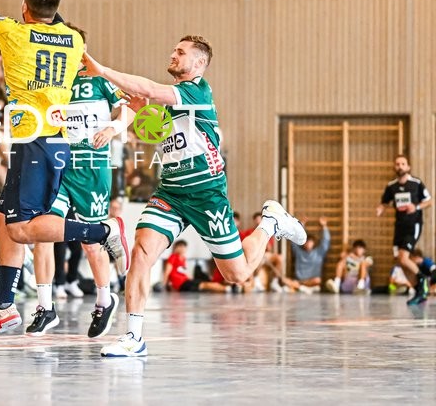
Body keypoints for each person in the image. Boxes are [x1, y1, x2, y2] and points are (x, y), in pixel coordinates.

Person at [81, 33, 307, 357]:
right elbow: (140, 108)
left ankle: (270, 222)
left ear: (199, 63)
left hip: (206, 193)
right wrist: (121, 124)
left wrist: (102, 70)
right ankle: (133, 336)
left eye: (181, 52)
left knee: (238, 274)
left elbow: (147, 89)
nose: (173, 55)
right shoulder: (172, 99)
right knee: (142, 251)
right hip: (171, 192)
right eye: (174, 50)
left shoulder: (196, 92)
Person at [0, 0, 128, 341]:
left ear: (25, 9)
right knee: (3, 221)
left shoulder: (14, 34)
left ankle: (102, 231)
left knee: (23, 231)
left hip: (39, 141)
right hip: (42, 141)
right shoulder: (74, 41)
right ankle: (5, 306)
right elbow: (53, 20)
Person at [27, 23, 137, 338]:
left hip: (92, 167)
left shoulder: (99, 79)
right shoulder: (54, 83)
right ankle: (45, 307)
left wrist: (113, 129)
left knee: (91, 244)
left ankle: (105, 299)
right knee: (42, 232)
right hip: (61, 166)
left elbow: (130, 108)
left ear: (81, 49)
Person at [377, 155, 432, 305]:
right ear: (394, 167)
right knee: (400, 262)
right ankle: (419, 292)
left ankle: (422, 278)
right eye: (397, 164)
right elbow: (384, 202)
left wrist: (416, 207)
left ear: (408, 167)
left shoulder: (416, 183)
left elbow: (429, 201)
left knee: (403, 257)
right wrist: (381, 208)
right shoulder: (391, 186)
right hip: (399, 226)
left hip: (412, 225)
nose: (400, 166)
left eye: (403, 164)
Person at [287, 217, 330, 294]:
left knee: (318, 280)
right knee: (284, 280)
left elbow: (326, 242)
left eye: (310, 242)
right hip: (299, 280)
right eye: (307, 242)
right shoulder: (299, 252)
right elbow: (293, 241)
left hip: (312, 281)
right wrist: (301, 225)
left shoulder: (319, 253)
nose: (308, 244)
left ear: (314, 243)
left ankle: (301, 287)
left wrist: (324, 226)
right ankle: (304, 288)